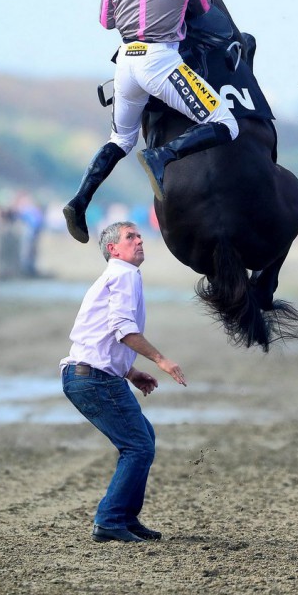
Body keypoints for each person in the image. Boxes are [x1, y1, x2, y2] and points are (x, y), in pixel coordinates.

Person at [63, 0, 239, 243]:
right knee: (226, 123)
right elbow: (202, 9)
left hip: (125, 64)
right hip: (161, 63)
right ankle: (163, 155)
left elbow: (106, 20)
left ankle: (79, 201)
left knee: (120, 139)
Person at [59, 221, 187, 543]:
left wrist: (130, 372)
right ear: (113, 249)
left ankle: (126, 518)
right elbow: (123, 329)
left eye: (140, 236)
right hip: (92, 378)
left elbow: (101, 336)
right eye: (131, 237)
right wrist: (160, 360)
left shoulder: (120, 276)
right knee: (138, 446)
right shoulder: (123, 274)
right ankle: (110, 520)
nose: (140, 240)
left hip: (89, 374)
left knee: (144, 438)